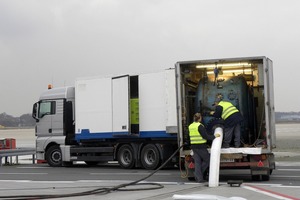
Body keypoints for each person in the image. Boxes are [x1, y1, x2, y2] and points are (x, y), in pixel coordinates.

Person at [188, 113, 220, 183]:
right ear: (200, 118)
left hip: (194, 147)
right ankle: (197, 175)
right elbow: (206, 136)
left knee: (198, 163)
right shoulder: (200, 126)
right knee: (208, 160)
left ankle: (199, 178)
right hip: (201, 147)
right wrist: (215, 136)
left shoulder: (190, 126)